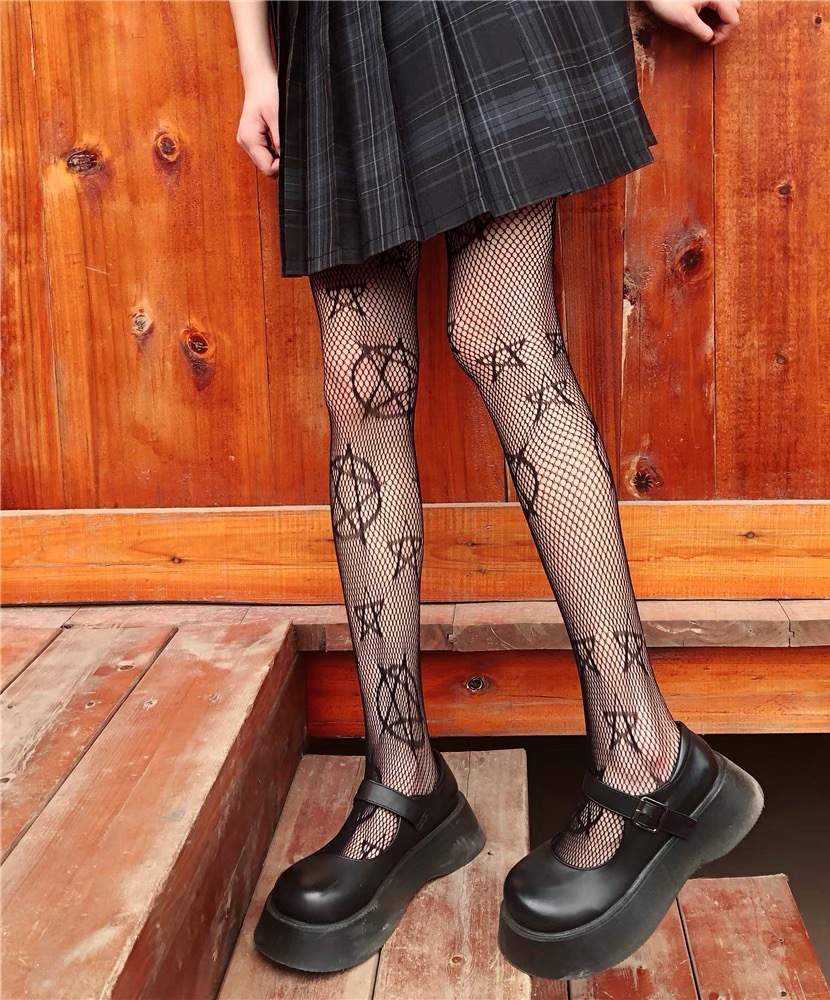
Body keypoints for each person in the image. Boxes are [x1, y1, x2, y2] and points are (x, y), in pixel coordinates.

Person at [228, 0, 759, 982]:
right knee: (358, 381)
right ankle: (404, 784)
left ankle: (646, 755)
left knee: (501, 335)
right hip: (335, 29)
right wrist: (256, 62)